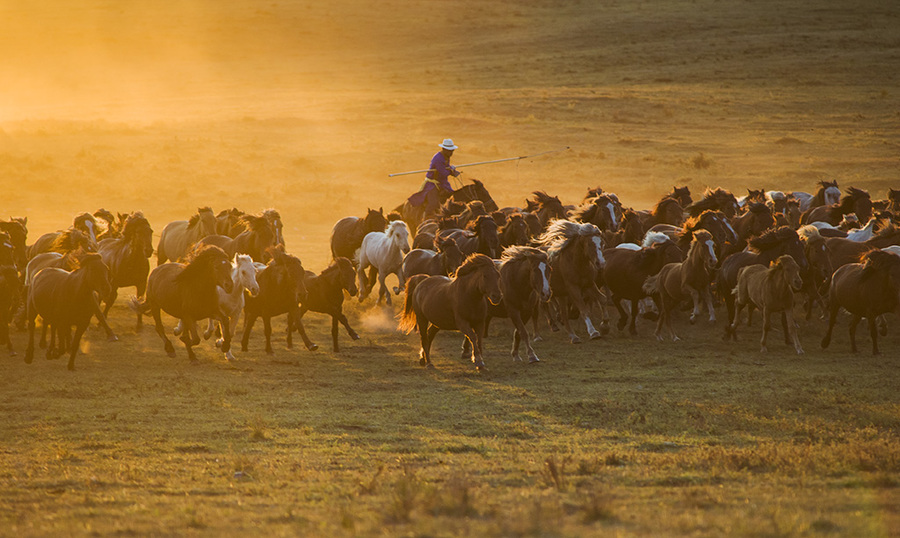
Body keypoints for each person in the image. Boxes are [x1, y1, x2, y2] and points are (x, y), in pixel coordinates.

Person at [408, 139, 461, 215]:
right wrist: (451, 172)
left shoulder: (446, 156)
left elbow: (446, 168)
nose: (451, 152)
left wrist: (451, 169)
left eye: (452, 151)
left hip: (443, 183)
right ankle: (426, 217)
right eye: (449, 151)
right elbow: (442, 172)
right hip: (433, 184)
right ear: (444, 149)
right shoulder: (438, 158)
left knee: (453, 197)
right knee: (433, 203)